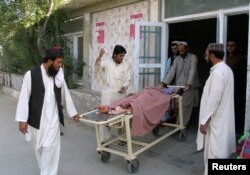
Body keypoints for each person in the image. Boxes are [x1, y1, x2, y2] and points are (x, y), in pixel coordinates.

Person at [15, 46, 80, 175]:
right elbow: (23, 98)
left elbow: (65, 95)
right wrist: (22, 120)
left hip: (53, 120)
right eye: (58, 62)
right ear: (50, 61)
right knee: (40, 150)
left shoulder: (58, 76)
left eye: (61, 63)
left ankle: (47, 173)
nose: (60, 66)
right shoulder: (31, 75)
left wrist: (73, 112)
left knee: (50, 148)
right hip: (37, 121)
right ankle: (47, 171)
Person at [196, 43, 235, 175]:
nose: (205, 56)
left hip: (216, 122)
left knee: (213, 154)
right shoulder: (226, 70)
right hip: (221, 120)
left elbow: (214, 99)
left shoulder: (218, 73)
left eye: (207, 54)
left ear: (212, 55)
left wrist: (204, 121)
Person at [94, 45, 132, 142]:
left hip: (120, 96)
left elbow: (128, 79)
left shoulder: (126, 65)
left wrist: (124, 86)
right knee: (105, 119)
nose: (122, 58)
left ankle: (123, 138)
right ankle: (104, 140)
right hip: (108, 96)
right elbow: (97, 68)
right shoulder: (106, 63)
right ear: (114, 55)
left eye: (123, 56)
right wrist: (99, 56)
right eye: (120, 56)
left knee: (123, 118)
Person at [163, 41, 200, 127]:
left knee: (185, 107)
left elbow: (192, 71)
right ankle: (178, 126)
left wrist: (189, 83)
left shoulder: (193, 57)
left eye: (182, 50)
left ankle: (181, 128)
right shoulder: (177, 59)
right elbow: (172, 71)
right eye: (179, 51)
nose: (180, 52)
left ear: (187, 49)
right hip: (179, 86)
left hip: (189, 87)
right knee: (177, 107)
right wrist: (164, 82)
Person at [226, 39, 247, 133]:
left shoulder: (240, 58)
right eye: (228, 45)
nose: (230, 47)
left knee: (236, 108)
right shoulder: (225, 58)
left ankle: (237, 129)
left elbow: (242, 73)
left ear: (236, 47)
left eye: (232, 45)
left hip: (236, 87)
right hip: (226, 87)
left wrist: (231, 73)